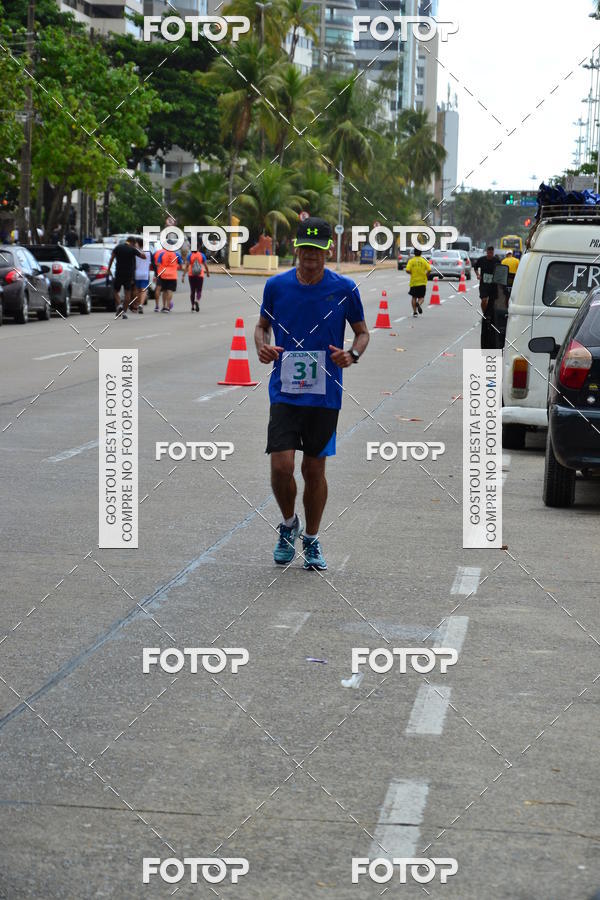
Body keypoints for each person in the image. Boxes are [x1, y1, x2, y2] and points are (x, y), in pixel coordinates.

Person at [254, 217, 370, 571]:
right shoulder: (276, 286)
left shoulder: (345, 288)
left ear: (328, 251)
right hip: (285, 390)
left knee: (314, 470)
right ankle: (288, 524)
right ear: (296, 249)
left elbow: (363, 333)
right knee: (282, 465)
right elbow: (262, 327)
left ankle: (313, 538)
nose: (311, 258)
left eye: (318, 252)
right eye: (305, 250)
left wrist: (351, 354)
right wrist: (262, 346)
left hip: (324, 394)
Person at [107, 236, 145, 320]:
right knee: (127, 292)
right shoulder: (132, 249)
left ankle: (119, 305)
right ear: (132, 242)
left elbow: (111, 258)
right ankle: (124, 312)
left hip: (119, 273)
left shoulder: (118, 247)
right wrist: (136, 249)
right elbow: (143, 256)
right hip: (129, 274)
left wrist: (108, 269)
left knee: (115, 291)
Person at [474, 245, 501, 349]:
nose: (490, 254)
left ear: (493, 253)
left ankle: (488, 315)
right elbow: (475, 267)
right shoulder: (481, 260)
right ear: (487, 252)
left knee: (492, 302)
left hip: (493, 285)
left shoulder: (496, 260)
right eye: (489, 253)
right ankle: (485, 314)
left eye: (491, 253)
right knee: (484, 300)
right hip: (484, 284)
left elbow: (500, 270)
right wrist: (478, 274)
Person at [154, 244, 182, 313]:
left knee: (164, 291)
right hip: (172, 275)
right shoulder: (177, 254)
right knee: (170, 291)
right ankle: (167, 307)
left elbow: (158, 263)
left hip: (164, 274)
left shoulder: (162, 254)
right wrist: (176, 267)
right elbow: (181, 265)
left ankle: (163, 306)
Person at [405, 248, 432, 317]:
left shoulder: (411, 261)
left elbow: (407, 270)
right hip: (422, 282)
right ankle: (419, 303)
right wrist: (426, 275)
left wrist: (412, 273)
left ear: (414, 253)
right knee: (421, 297)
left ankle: (414, 312)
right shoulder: (423, 261)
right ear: (421, 253)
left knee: (414, 297)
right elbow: (429, 269)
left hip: (414, 282)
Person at [185, 246, 210, 311]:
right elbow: (205, 265)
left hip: (191, 274)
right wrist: (207, 273)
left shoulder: (190, 255)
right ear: (198, 249)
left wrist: (183, 275)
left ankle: (192, 306)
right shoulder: (202, 255)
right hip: (200, 275)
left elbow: (187, 265)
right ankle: (197, 300)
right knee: (199, 290)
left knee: (192, 291)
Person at [131, 238, 151, 314]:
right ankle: (141, 304)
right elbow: (149, 263)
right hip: (145, 273)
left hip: (137, 273)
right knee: (143, 290)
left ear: (138, 243)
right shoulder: (148, 252)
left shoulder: (136, 252)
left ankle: (135, 305)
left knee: (136, 290)